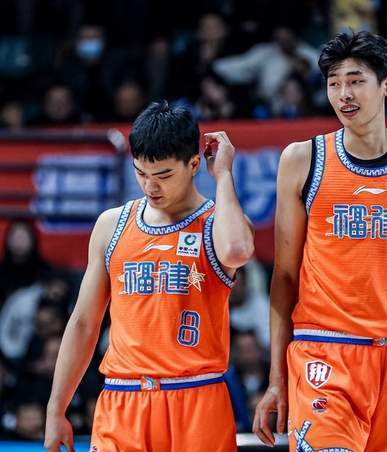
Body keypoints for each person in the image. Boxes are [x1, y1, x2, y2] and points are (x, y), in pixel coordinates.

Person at [253, 31, 387, 451]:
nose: (344, 94)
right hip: (325, 355)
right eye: (334, 83)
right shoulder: (302, 160)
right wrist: (276, 378)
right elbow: (285, 277)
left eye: (355, 81)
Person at [44, 101, 254, 451]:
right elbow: (83, 323)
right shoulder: (111, 225)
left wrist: (223, 176)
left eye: (164, 175)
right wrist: (56, 408)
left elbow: (236, 251)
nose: (150, 186)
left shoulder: (218, 223)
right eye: (141, 173)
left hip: (196, 398)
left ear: (193, 164)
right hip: (122, 399)